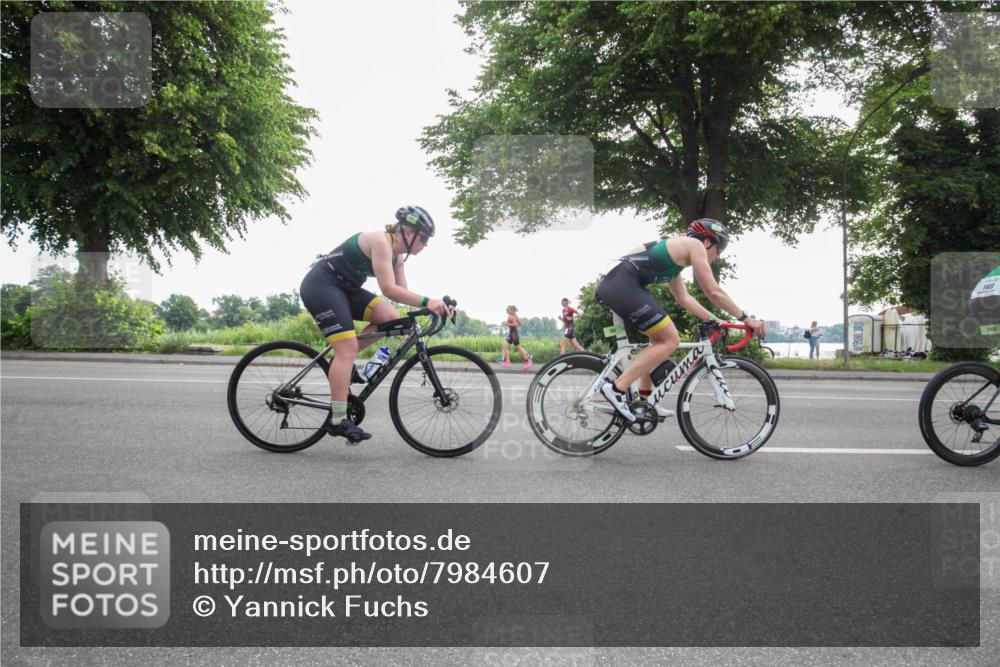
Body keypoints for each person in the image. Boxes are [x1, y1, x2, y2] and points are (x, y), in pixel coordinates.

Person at [299, 205, 450, 443]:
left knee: (389, 318)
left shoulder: (397, 257)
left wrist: (433, 306)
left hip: (346, 289)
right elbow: (388, 289)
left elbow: (401, 293)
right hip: (321, 285)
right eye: (424, 238)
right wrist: (429, 301)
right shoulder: (381, 242)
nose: (425, 244)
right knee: (346, 348)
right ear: (409, 232)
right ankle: (337, 419)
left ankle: (340, 362)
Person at [594, 218, 765, 422]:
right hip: (620, 284)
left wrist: (715, 320)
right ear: (708, 240)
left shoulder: (676, 259)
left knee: (658, 342)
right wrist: (746, 318)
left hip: (617, 283)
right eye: (719, 249)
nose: (717, 257)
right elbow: (713, 291)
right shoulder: (694, 245)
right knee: (670, 340)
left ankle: (645, 402)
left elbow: (684, 298)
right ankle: (616, 389)